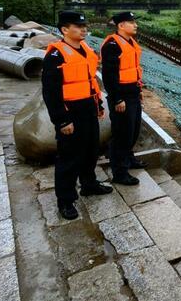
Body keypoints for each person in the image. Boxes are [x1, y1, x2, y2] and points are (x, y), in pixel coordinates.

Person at [42, 11, 112, 220]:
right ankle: (65, 200)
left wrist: (98, 105)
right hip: (70, 112)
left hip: (88, 109)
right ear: (64, 30)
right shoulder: (56, 55)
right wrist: (61, 120)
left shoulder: (86, 51)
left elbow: (91, 82)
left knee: (91, 151)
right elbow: (51, 93)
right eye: (77, 26)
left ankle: (89, 184)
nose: (83, 29)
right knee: (69, 157)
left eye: (84, 26)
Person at [101, 11, 146, 185]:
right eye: (132, 22)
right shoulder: (112, 45)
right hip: (121, 94)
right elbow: (109, 75)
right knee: (122, 133)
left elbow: (133, 69)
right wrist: (117, 98)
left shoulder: (131, 42)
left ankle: (130, 159)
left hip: (133, 91)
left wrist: (139, 89)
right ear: (121, 25)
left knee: (133, 129)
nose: (136, 25)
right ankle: (120, 173)